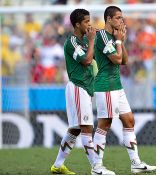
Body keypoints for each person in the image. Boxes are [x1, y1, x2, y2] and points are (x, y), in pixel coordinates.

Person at [92, 6, 156, 175]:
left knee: (129, 120)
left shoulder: (113, 37)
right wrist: (119, 41)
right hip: (105, 86)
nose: (122, 21)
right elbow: (116, 58)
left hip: (117, 86)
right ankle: (97, 167)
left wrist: (121, 40)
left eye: (122, 18)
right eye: (118, 18)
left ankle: (135, 163)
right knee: (104, 124)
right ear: (108, 19)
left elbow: (124, 61)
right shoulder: (102, 36)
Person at [50, 9, 97, 174]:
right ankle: (97, 167)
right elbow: (86, 60)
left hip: (86, 87)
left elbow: (95, 57)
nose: (89, 24)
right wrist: (92, 41)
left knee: (75, 129)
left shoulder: (84, 40)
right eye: (86, 22)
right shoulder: (72, 42)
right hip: (78, 87)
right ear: (77, 24)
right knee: (86, 128)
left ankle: (57, 165)